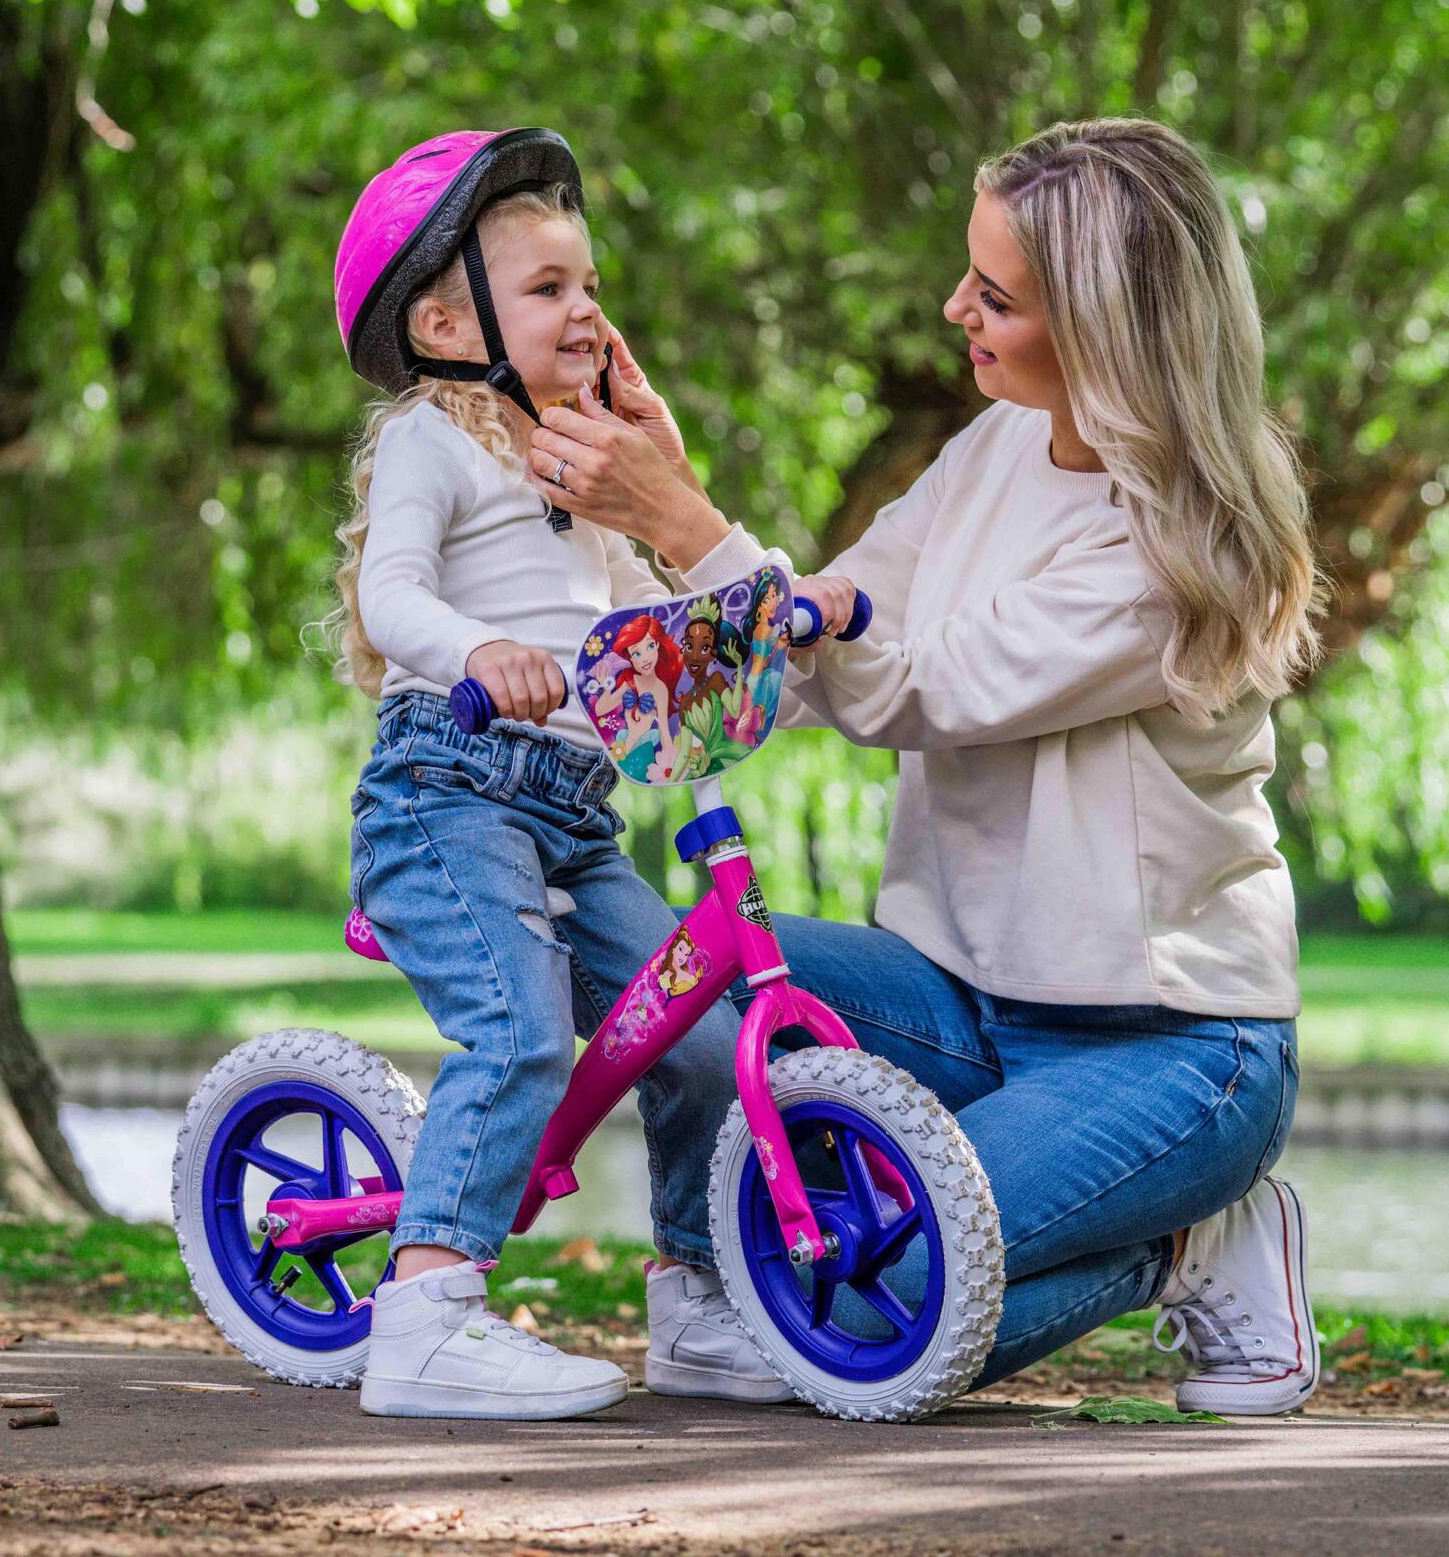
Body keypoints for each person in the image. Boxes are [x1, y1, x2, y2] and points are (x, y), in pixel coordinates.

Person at [525, 117, 1324, 1415]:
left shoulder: (1171, 555)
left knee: (871, 1309)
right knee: (674, 970)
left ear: (1104, 326)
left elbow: (911, 690)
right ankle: (706, 1285)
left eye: (994, 296)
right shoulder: (998, 445)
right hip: (957, 998)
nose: (956, 308)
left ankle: (1193, 1245)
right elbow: (829, 629)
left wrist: (682, 512)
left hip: (1169, 1050)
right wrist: (678, 538)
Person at [327, 127, 789, 1418]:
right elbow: (394, 591)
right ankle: (424, 1317)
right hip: (449, 786)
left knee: (695, 1033)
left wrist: (736, 571)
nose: (586, 311)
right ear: (441, 321)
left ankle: (699, 1304)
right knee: (520, 1032)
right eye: (546, 290)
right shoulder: (434, 436)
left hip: (574, 815)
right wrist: (482, 648)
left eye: (590, 285)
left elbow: (657, 623)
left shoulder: (575, 465)